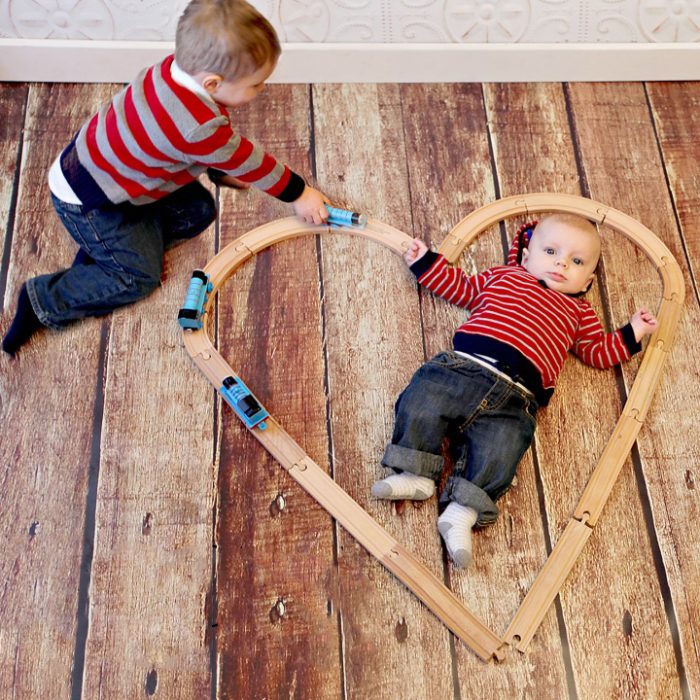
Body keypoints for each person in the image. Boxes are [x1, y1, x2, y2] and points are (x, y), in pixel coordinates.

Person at [2, 0, 330, 356]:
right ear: (213, 82)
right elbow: (250, 161)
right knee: (137, 277)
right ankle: (45, 300)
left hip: (107, 173)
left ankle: (116, 247)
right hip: (90, 203)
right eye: (256, 84)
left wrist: (217, 169)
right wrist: (299, 193)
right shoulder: (201, 127)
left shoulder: (169, 71)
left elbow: (175, 143)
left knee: (199, 210)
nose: (262, 90)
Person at [371, 213, 658, 569]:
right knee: (423, 399)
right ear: (525, 256)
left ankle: (462, 512)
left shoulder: (580, 314)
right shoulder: (503, 277)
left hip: (517, 399)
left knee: (501, 451)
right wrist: (424, 261)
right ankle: (414, 473)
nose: (561, 263)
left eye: (576, 261)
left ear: (588, 280)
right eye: (550, 250)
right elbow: (459, 287)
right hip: (464, 368)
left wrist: (632, 332)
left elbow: (597, 352)